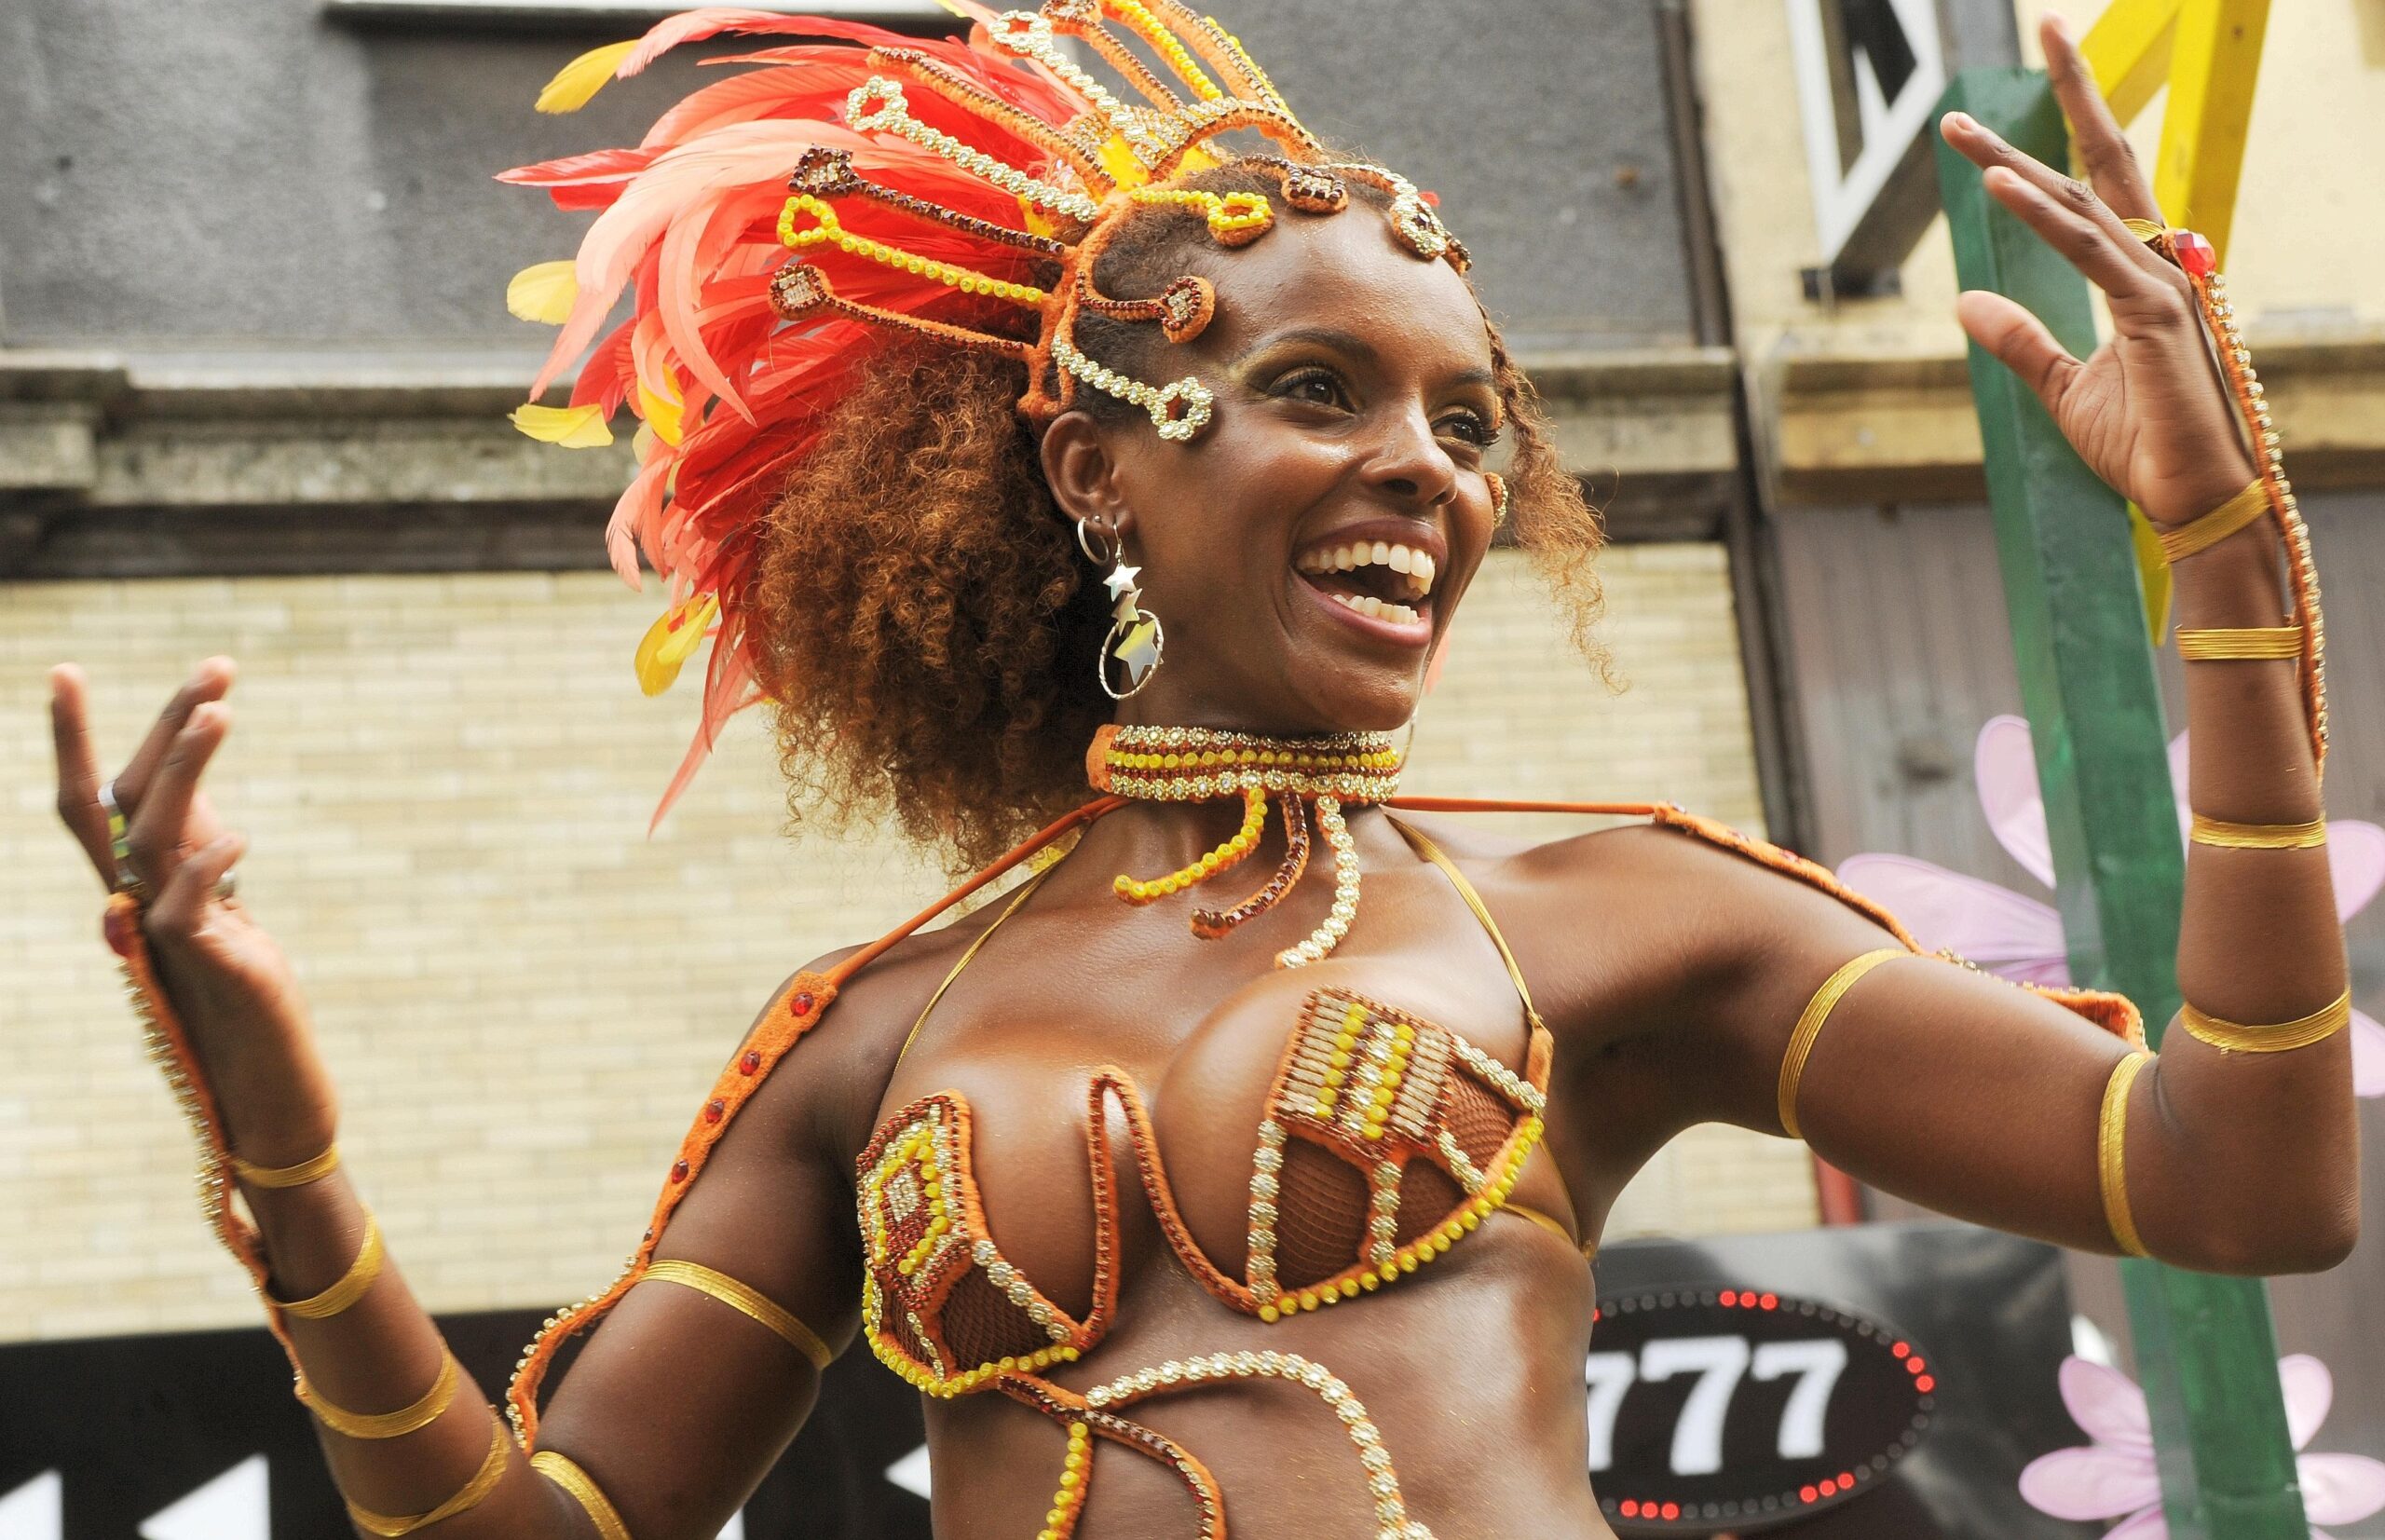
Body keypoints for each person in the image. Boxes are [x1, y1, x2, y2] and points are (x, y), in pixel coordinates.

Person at [46, 7, 2352, 1538]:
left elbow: (2237, 1175)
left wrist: (2226, 562)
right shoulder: (879, 1034)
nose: (1428, 472)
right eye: (1323, 393)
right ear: (1091, 465)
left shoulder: (1619, 915)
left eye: (1469, 420)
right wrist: (280, 1140)